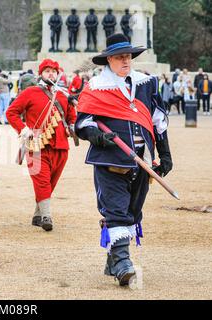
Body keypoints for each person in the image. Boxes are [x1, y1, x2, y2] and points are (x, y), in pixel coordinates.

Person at [75, 34, 172, 287]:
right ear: (109, 60)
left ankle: (113, 259)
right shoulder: (96, 86)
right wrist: (98, 137)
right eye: (120, 57)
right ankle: (122, 264)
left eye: (128, 56)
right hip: (110, 159)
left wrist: (165, 154)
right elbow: (83, 123)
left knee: (132, 212)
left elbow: (158, 121)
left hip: (143, 160)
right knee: (117, 211)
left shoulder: (146, 84)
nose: (125, 60)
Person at [6, 59, 77, 232]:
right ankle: (47, 217)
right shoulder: (30, 92)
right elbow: (11, 113)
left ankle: (38, 214)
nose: (51, 74)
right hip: (36, 146)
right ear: (41, 74)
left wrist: (72, 127)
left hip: (61, 146)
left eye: (54, 71)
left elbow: (71, 117)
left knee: (50, 183)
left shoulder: (63, 94)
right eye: (47, 71)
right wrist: (23, 129)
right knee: (42, 181)